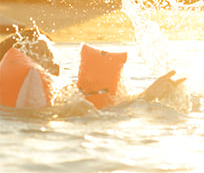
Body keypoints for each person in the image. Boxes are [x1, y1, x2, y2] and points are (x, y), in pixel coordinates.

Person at [0, 27, 185, 115]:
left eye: (53, 55)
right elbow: (99, 116)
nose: (55, 65)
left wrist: (147, 95)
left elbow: (106, 109)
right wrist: (146, 98)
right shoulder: (27, 98)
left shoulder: (66, 95)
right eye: (45, 56)